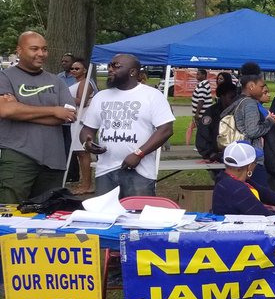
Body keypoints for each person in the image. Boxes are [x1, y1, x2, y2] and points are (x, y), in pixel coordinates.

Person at [79, 54, 175, 199]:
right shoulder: (101, 97)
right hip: (105, 171)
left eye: (116, 66)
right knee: (104, 217)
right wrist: (87, 143)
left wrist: (139, 153)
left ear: (132, 72)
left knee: (137, 218)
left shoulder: (152, 95)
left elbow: (166, 129)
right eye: (110, 65)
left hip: (139, 172)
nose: (110, 69)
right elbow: (87, 129)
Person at [0, 31, 76, 203]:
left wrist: (19, 109)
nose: (41, 54)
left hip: (53, 160)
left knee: (47, 215)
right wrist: (54, 110)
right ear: (19, 50)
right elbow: (5, 111)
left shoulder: (57, 81)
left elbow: (68, 115)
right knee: (9, 212)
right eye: (34, 49)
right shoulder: (4, 77)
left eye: (44, 49)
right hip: (18, 156)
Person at [212, 141, 275, 218]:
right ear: (249, 167)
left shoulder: (225, 178)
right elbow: (265, 216)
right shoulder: (236, 189)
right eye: (255, 162)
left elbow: (263, 192)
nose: (255, 166)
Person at [67, 58, 97, 194]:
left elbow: (82, 101)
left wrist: (63, 96)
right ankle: (83, 182)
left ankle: (87, 185)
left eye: (77, 68)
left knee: (84, 153)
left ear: (85, 70)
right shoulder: (77, 83)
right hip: (75, 120)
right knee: (79, 153)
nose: (73, 70)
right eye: (72, 68)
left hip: (82, 121)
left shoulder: (85, 83)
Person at [195, 80, 238, 161]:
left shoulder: (239, 111)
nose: (234, 100)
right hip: (216, 156)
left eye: (235, 98)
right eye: (231, 97)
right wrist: (210, 153)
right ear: (222, 96)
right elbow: (203, 135)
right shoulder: (211, 112)